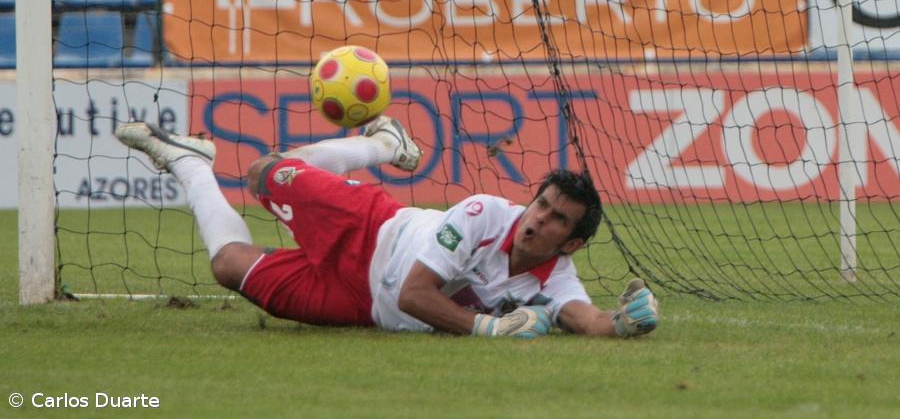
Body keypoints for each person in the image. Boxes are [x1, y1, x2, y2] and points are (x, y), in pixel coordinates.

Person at [115, 117, 659, 338]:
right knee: (263, 173)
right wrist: (486, 329)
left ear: (572, 243)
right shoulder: (486, 213)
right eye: (542, 204)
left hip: (362, 305)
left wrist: (626, 322)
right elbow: (415, 294)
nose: (538, 218)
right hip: (371, 229)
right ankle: (381, 144)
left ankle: (188, 163)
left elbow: (586, 318)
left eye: (557, 218)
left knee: (227, 265)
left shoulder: (555, 276)